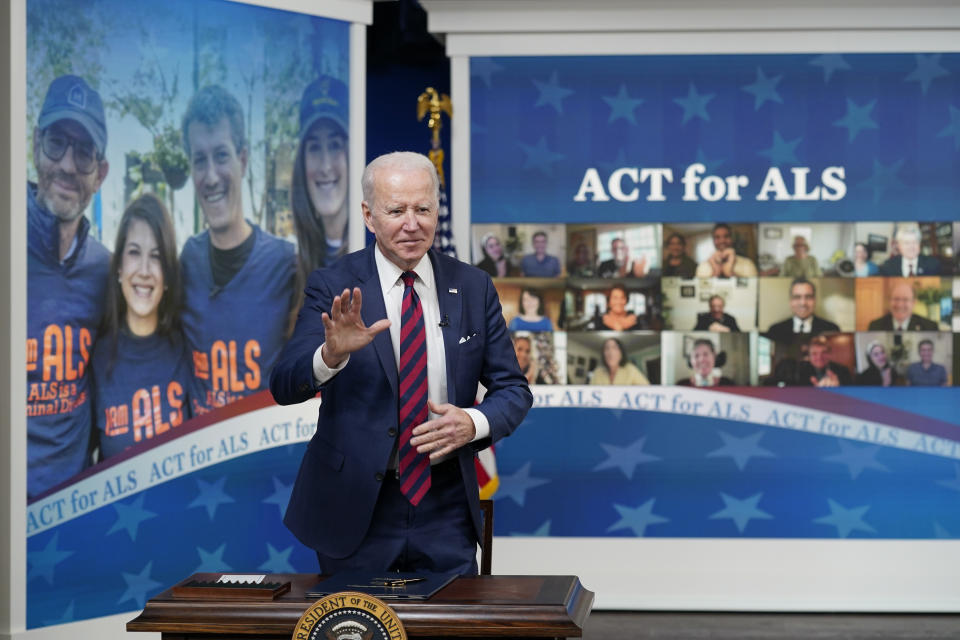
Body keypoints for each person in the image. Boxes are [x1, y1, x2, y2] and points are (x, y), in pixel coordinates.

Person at [269, 152, 532, 575]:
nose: (412, 224)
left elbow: (514, 390)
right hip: (354, 504)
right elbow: (284, 384)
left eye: (423, 209)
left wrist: (473, 423)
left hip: (445, 505)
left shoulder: (473, 286)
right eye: (396, 211)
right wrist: (330, 356)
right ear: (369, 216)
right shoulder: (333, 285)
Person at [179, 86, 297, 414]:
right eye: (199, 160)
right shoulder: (187, 262)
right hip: (200, 459)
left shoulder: (286, 266)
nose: (211, 176)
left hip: (263, 460)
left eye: (221, 155)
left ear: (242, 160)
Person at [27, 75, 111, 498]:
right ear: (35, 143)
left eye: (83, 152)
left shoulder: (107, 271)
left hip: (72, 512)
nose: (66, 164)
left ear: (100, 173)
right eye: (57, 142)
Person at [91, 194, 193, 459]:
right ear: (119, 268)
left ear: (168, 275)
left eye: (156, 256)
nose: (145, 270)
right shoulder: (95, 358)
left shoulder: (186, 349)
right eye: (134, 252)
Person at [291, 75, 350, 285]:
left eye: (335, 145)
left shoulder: (379, 260)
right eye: (314, 147)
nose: (325, 166)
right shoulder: (292, 275)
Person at [765, 278, 840, 343]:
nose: (803, 303)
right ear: (791, 301)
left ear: (815, 300)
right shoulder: (775, 330)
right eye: (797, 297)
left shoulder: (832, 329)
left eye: (808, 297)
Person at [867, 280, 938, 331]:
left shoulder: (930, 327)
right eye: (896, 299)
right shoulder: (875, 326)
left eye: (905, 299)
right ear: (889, 301)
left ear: (913, 302)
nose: (900, 304)